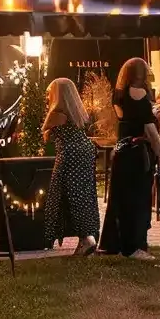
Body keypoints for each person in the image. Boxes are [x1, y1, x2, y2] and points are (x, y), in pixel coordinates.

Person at [99, 58, 160, 260]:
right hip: (138, 153)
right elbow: (150, 130)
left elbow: (124, 119)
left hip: (121, 151)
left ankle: (113, 242)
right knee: (138, 200)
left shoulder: (118, 96)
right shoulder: (142, 96)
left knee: (119, 199)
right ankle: (134, 245)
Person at [42, 77, 99, 256]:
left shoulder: (56, 113)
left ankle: (84, 239)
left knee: (63, 196)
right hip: (85, 152)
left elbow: (45, 135)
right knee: (83, 195)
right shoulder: (77, 112)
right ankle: (88, 236)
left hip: (69, 154)